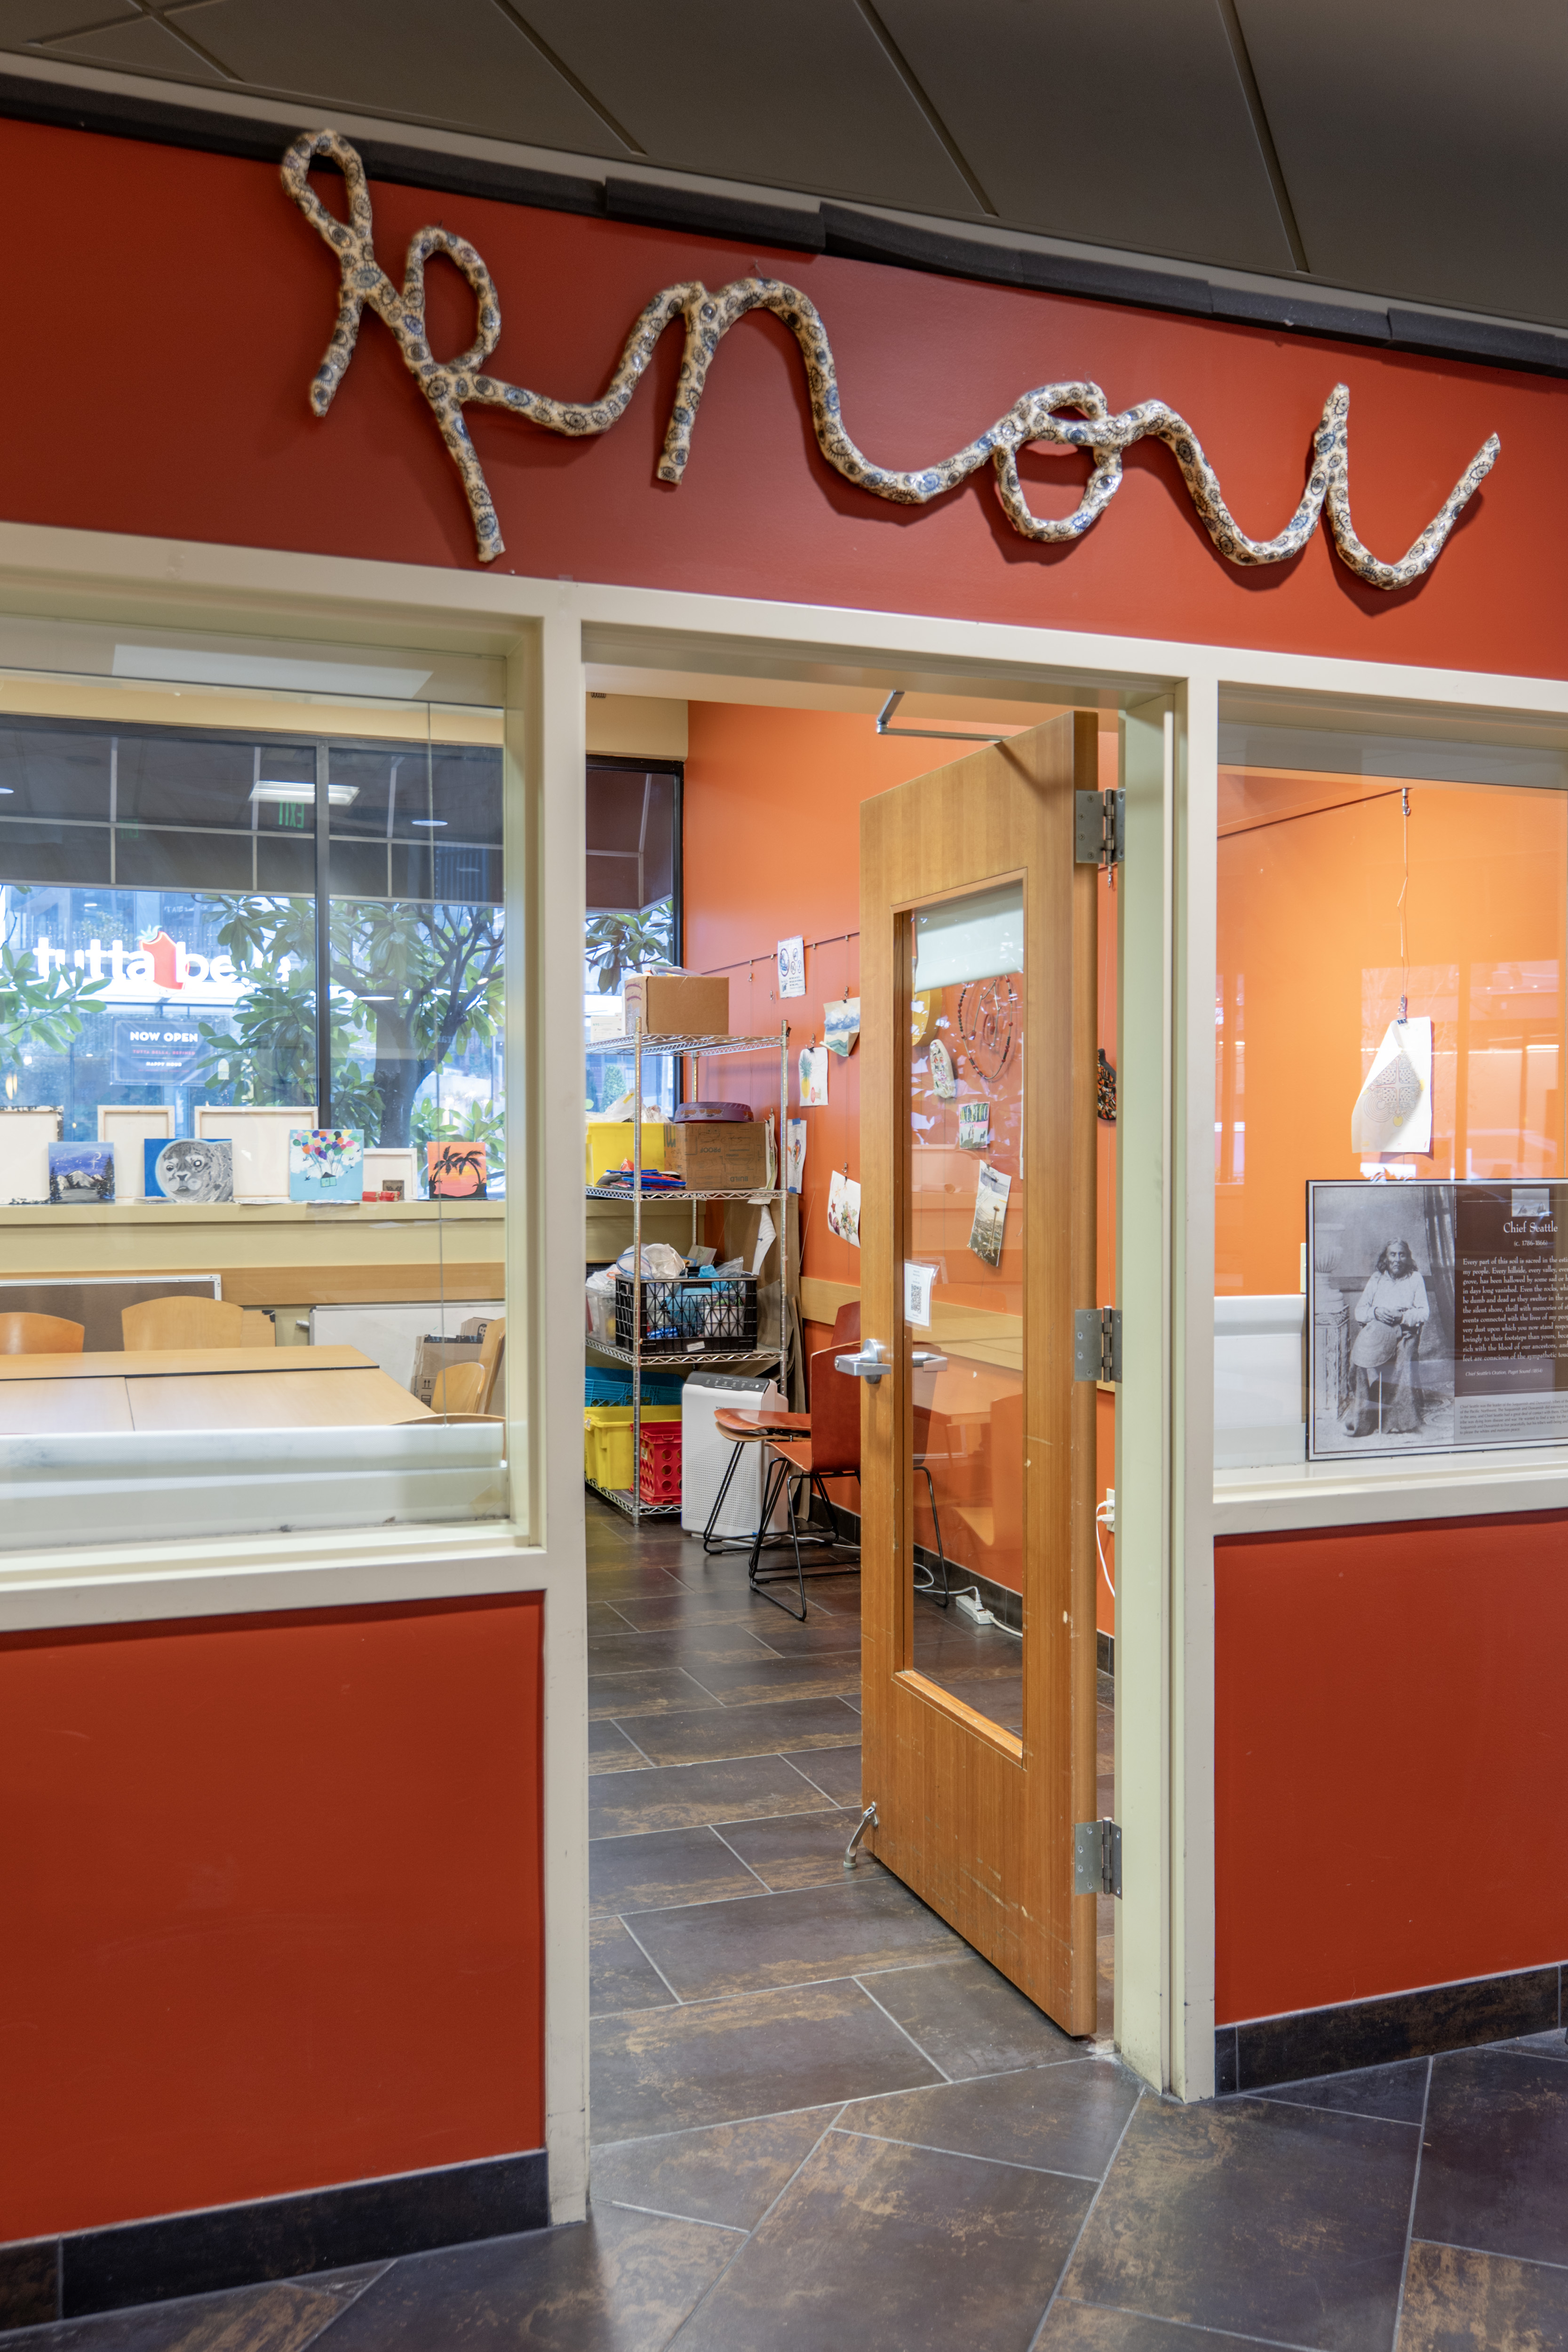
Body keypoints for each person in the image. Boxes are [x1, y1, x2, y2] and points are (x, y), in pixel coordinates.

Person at [1340, 1238, 1430, 1437]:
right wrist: (1376, 1312)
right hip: (1378, 1334)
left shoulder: (1415, 1278)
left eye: (1402, 1255)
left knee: (1404, 1357)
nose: (1397, 1259)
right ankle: (1364, 1418)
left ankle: (1397, 1420)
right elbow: (1360, 1311)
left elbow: (1424, 1312)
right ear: (1386, 1258)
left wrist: (1402, 1317)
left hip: (1405, 1333)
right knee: (1359, 1360)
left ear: (1408, 1258)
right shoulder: (1377, 1279)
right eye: (1393, 1254)